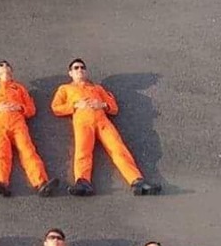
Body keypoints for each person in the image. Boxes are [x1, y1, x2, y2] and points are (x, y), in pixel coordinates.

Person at [50, 59, 160, 196]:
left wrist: (102, 105)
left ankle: (137, 181)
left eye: (82, 67)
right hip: (83, 122)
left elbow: (113, 108)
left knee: (118, 149)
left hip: (102, 122)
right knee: (83, 151)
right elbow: (56, 108)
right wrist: (75, 105)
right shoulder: (65, 89)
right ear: (70, 73)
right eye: (76, 68)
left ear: (86, 71)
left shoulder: (97, 89)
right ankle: (83, 182)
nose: (80, 70)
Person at [0, 61, 58, 197]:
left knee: (28, 151)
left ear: (11, 72)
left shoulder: (19, 88)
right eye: (1, 66)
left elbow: (31, 109)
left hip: (18, 124)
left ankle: (41, 183)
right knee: (1, 152)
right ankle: (0, 182)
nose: (5, 68)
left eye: (7, 66)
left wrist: (21, 107)